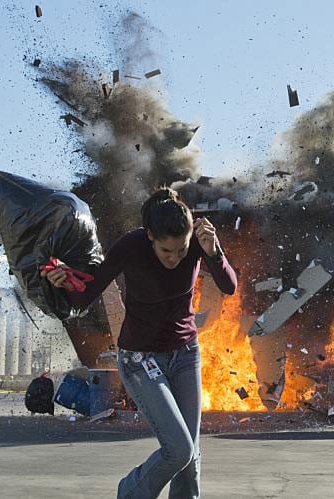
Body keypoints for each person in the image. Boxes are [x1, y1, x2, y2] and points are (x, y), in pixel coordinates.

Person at [41, 187, 237, 499]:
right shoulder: (131, 246)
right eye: (165, 251)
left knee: (190, 459)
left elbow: (228, 285)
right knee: (179, 450)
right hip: (140, 359)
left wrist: (214, 252)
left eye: (181, 252)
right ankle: (130, 493)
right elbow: (85, 296)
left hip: (186, 355)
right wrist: (63, 283)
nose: (174, 259)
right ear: (150, 237)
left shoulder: (199, 241)